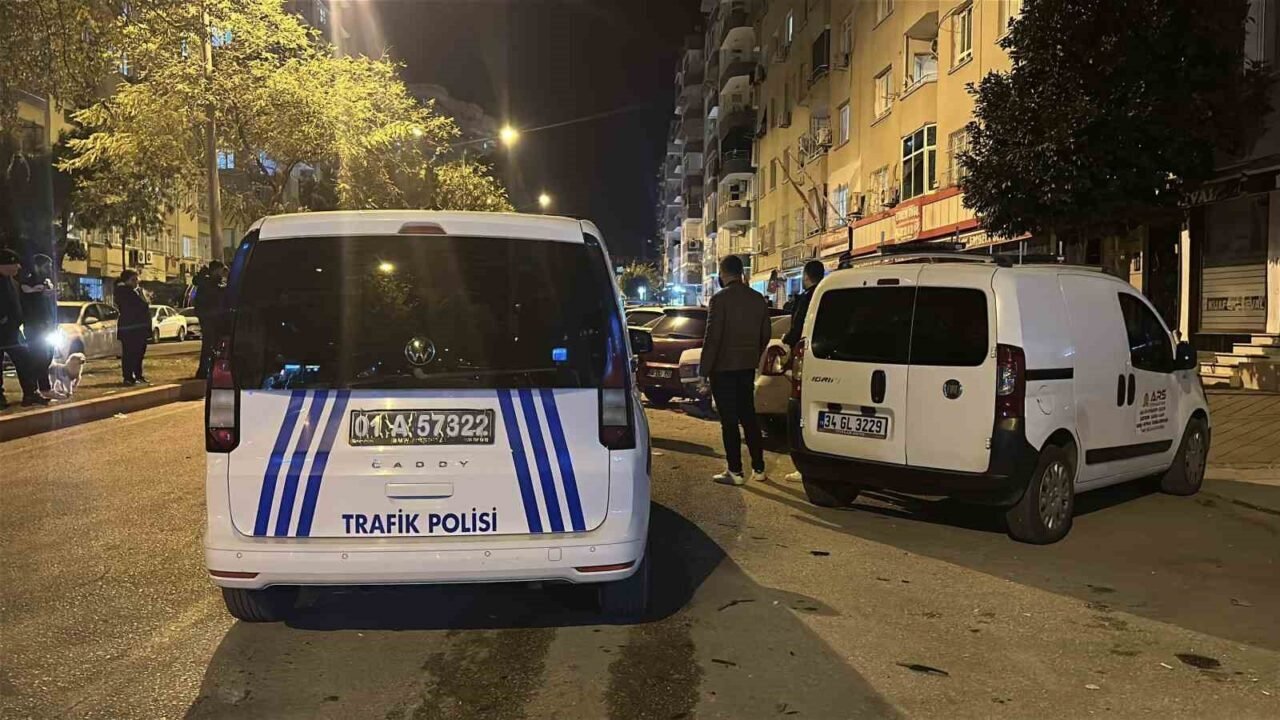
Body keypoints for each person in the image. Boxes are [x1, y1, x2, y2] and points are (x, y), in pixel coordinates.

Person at [700, 254, 771, 486]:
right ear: (741, 273)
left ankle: (735, 471)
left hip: (723, 369)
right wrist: (753, 355)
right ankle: (759, 468)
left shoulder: (719, 300)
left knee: (729, 420)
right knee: (749, 416)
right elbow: (765, 335)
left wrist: (704, 370)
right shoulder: (757, 299)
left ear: (723, 273)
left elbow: (712, 338)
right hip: (747, 367)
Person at [781, 260, 825, 482]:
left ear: (807, 276)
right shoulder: (826, 294)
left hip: (807, 360)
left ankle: (805, 466)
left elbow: (798, 326)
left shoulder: (809, 297)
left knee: (802, 413)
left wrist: (787, 340)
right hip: (824, 358)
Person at [1, 249, 50, 408]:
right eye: (15, 263)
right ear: (5, 264)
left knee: (26, 360)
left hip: (12, 331)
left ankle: (31, 393)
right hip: (3, 329)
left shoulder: (11, 281)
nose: (19, 267)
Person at [19, 254, 57, 395]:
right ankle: (37, 388)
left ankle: (44, 388)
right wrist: (38, 290)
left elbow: (50, 302)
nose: (49, 269)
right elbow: (25, 291)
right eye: (47, 266)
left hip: (47, 324)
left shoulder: (46, 281)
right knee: (38, 357)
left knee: (47, 357)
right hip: (35, 325)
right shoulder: (29, 279)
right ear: (38, 266)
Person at [114, 269, 150, 386]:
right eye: (133, 280)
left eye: (137, 279)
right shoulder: (124, 292)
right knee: (130, 353)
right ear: (126, 281)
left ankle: (138, 375)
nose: (136, 282)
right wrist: (142, 296)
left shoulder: (135, 292)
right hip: (130, 328)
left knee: (139, 353)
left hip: (138, 328)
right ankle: (128, 377)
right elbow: (142, 305)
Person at [193, 260, 227, 379]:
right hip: (209, 318)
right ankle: (204, 371)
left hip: (213, 318)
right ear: (215, 270)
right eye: (221, 270)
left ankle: (209, 370)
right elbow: (213, 298)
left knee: (213, 345)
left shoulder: (211, 283)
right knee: (209, 345)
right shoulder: (208, 284)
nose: (222, 273)